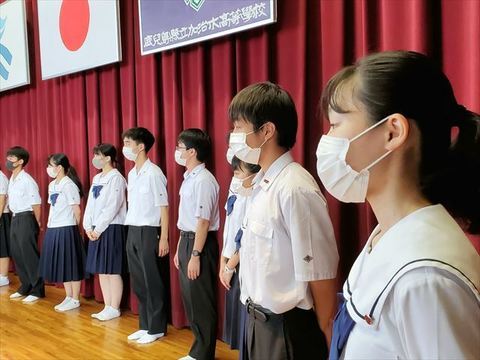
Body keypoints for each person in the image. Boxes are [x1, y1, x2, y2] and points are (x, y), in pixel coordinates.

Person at [316, 50, 480, 359]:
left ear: (393, 132)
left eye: (336, 125)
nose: (327, 139)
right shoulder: (386, 234)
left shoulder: (426, 278)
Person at [228, 82, 339, 359]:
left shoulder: (294, 188)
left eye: (239, 127)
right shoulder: (260, 185)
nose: (233, 135)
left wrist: (328, 338)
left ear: (266, 131)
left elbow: (321, 277)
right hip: (255, 322)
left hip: (287, 331)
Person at [174, 128, 220, 360]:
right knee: (190, 299)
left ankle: (204, 354)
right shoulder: (189, 178)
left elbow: (203, 222)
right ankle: (197, 350)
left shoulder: (204, 180)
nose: (177, 152)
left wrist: (195, 254)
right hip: (187, 239)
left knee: (201, 300)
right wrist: (179, 249)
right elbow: (187, 217)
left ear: (192, 151)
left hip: (200, 245)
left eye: (180, 148)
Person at [123, 127, 170, 344]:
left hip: (150, 231)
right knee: (139, 280)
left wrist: (164, 238)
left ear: (141, 146)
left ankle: (157, 327)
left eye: (128, 143)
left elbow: (164, 207)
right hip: (132, 229)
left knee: (152, 280)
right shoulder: (132, 174)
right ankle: (145, 324)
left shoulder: (154, 173)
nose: (125, 148)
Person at [220, 155, 260, 358]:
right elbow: (229, 226)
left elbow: (245, 235)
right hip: (231, 261)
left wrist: (230, 265)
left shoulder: (257, 193)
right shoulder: (236, 185)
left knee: (247, 321)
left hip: (244, 262)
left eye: (239, 171)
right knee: (237, 322)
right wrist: (223, 262)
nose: (235, 175)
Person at [84, 143, 127, 321]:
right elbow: (90, 204)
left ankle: (114, 307)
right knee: (102, 269)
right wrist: (88, 226)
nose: (95, 158)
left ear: (108, 158)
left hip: (111, 227)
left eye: (98, 155)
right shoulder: (97, 178)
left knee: (112, 270)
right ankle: (107, 305)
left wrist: (99, 228)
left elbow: (113, 206)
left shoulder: (116, 178)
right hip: (95, 229)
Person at [38, 153, 85, 312]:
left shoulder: (69, 184)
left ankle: (75, 298)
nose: (48, 169)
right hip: (54, 227)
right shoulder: (52, 185)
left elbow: (77, 211)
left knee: (72, 263)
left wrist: (75, 230)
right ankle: (68, 296)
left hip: (67, 228)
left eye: (51, 165)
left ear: (59, 167)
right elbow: (53, 207)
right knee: (63, 263)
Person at [6, 146, 45, 302]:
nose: (8, 161)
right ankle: (25, 286)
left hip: (26, 218)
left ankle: (37, 289)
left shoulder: (27, 180)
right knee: (17, 253)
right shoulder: (12, 179)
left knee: (29, 254)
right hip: (15, 218)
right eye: (8, 157)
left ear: (21, 161)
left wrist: (36, 222)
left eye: (12, 158)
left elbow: (36, 203)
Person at [0, 166, 11, 287]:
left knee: (3, 247)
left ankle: (3, 277)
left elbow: (1, 200)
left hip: (2, 215)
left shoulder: (1, 178)